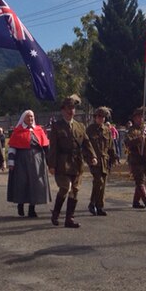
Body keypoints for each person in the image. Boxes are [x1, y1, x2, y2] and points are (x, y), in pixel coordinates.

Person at [47, 95, 97, 228]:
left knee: (74, 190)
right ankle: (56, 214)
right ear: (63, 110)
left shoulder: (80, 126)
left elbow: (86, 143)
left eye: (73, 108)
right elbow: (53, 148)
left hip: (77, 162)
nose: (71, 111)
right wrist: (51, 165)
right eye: (68, 108)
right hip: (62, 162)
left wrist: (92, 156)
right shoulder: (57, 126)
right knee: (65, 187)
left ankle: (69, 218)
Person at [6, 110, 50, 218]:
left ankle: (32, 209)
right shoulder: (18, 131)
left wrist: (49, 161)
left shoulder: (39, 130)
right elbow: (12, 148)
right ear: (23, 118)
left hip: (37, 161)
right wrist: (11, 162)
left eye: (32, 117)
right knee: (22, 183)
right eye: (28, 117)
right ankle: (20, 204)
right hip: (21, 161)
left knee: (35, 184)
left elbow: (45, 146)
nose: (30, 119)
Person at [86, 106, 117, 216]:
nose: (101, 119)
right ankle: (92, 203)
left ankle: (99, 206)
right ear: (95, 117)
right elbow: (86, 145)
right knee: (98, 181)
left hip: (105, 160)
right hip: (94, 160)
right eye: (99, 116)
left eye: (103, 117)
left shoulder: (107, 130)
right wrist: (88, 158)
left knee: (102, 185)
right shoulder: (90, 129)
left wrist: (113, 156)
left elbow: (110, 146)